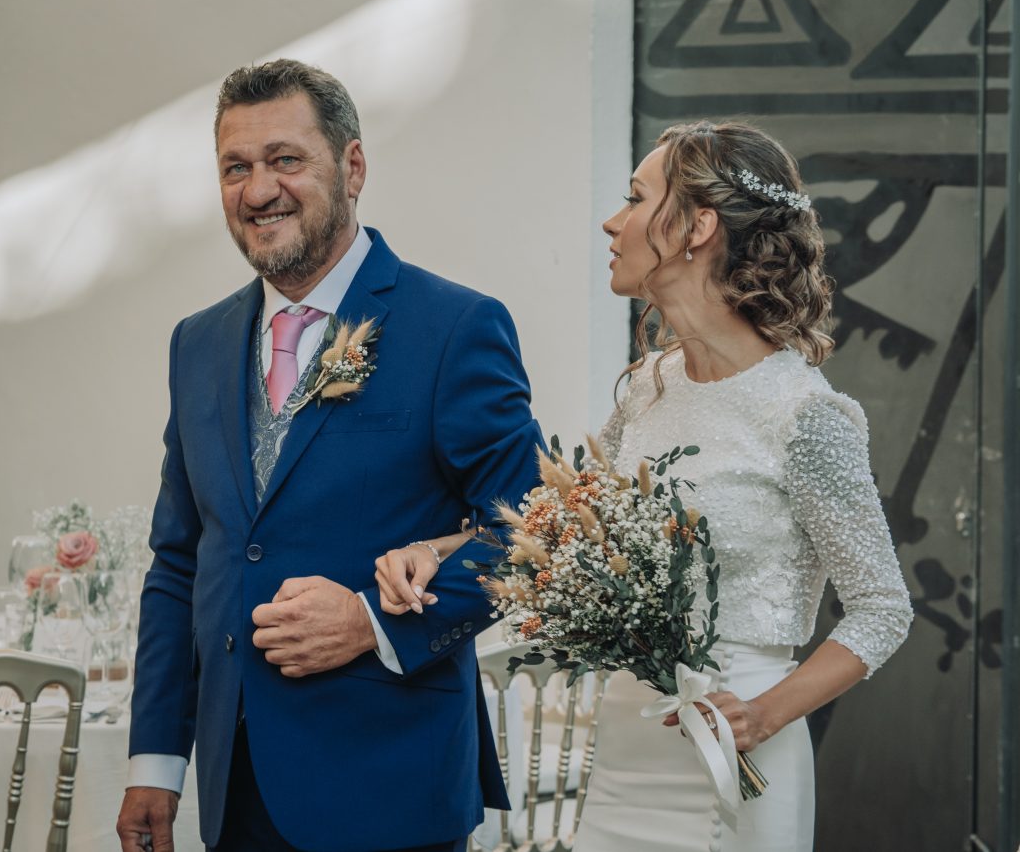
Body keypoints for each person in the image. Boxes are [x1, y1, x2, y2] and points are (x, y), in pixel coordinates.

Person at [376, 121, 914, 851]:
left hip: (739, 755)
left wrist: (766, 713)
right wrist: (435, 549)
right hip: (626, 756)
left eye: (634, 198)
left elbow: (882, 608)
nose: (612, 220)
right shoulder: (647, 389)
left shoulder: (806, 416)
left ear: (697, 226)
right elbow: (560, 533)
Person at [116, 59, 543, 852]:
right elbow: (182, 561)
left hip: (391, 786)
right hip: (234, 788)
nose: (257, 189)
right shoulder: (197, 343)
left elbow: (531, 534)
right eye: (235, 168)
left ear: (351, 166)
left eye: (285, 159)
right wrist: (156, 758)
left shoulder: (454, 326)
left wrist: (370, 620)